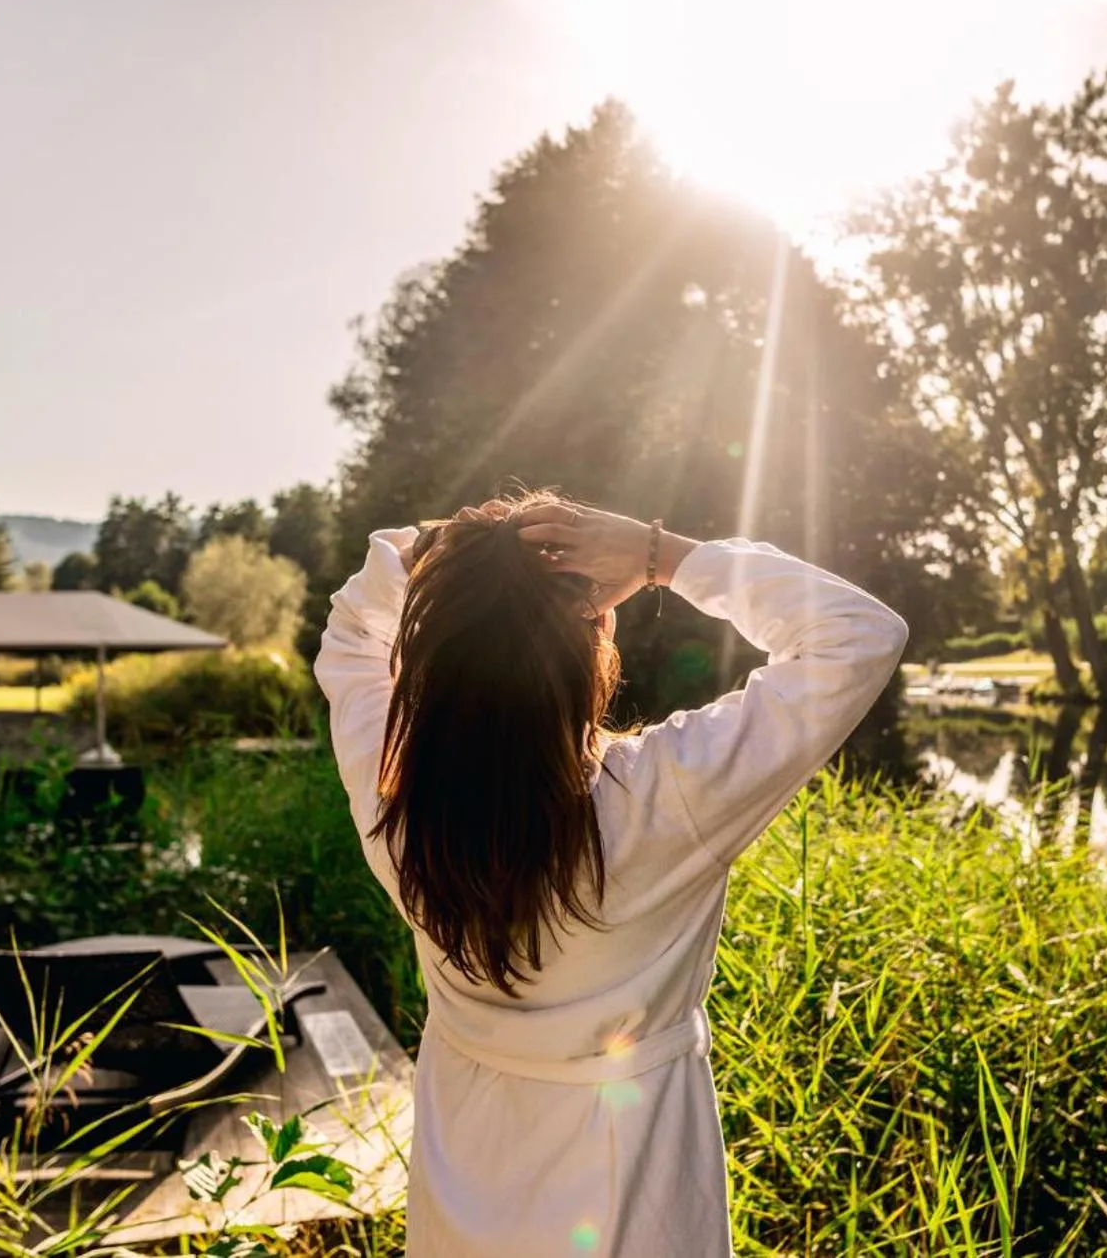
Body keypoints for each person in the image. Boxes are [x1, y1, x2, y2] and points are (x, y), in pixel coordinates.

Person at [316, 492, 908, 1257]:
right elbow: (858, 635)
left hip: (463, 1191)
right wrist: (662, 554)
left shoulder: (394, 792)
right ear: (597, 631)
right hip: (635, 1196)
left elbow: (352, 631)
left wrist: (444, 545)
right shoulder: (666, 795)